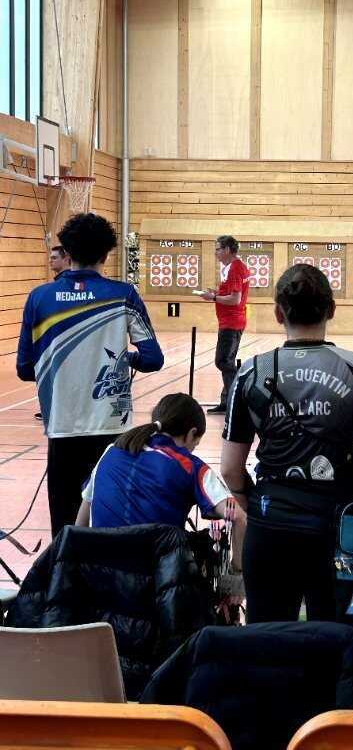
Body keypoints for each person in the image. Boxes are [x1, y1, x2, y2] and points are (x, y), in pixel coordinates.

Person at [220, 263, 353, 624]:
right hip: (340, 531)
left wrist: (259, 509)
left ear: (278, 313)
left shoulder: (251, 371)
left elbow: (230, 470)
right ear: (332, 310)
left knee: (265, 642)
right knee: (334, 641)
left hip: (270, 526)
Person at [17, 212, 164, 537]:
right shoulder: (124, 295)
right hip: (112, 429)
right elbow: (153, 359)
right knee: (110, 523)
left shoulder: (39, 298)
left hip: (62, 427)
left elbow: (25, 368)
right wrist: (123, 359)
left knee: (66, 528)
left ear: (67, 252)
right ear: (106, 253)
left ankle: (65, 570)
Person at [75, 393, 244, 565]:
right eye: (195, 444)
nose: (191, 450)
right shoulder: (191, 467)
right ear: (191, 433)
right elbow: (237, 516)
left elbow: (81, 523)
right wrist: (236, 570)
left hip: (97, 571)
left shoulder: (112, 450)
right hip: (157, 576)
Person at [199, 236, 250, 415]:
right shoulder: (234, 267)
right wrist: (217, 292)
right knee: (227, 361)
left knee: (223, 361)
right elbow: (231, 293)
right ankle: (227, 401)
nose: (216, 253)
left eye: (218, 249)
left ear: (227, 250)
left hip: (231, 323)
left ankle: (237, 400)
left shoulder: (235, 268)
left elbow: (235, 299)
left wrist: (213, 297)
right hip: (231, 322)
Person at [34, 246, 72, 421]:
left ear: (66, 259)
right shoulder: (54, 285)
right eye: (50, 257)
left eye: (55, 257)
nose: (50, 260)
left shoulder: (66, 285)